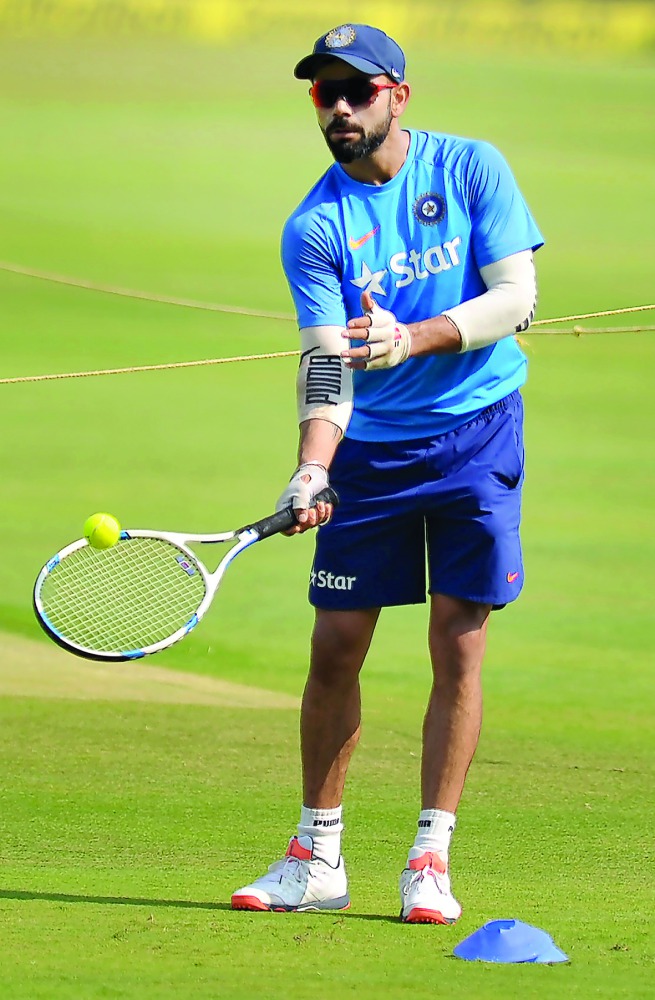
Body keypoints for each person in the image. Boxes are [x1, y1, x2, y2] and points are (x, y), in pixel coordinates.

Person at [231, 23, 543, 923]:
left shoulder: (471, 166)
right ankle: (316, 858)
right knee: (334, 649)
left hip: (477, 432)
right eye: (322, 93)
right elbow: (327, 366)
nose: (336, 107)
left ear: (395, 97)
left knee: (458, 640)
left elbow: (516, 296)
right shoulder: (315, 225)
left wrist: (414, 336)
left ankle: (429, 859)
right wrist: (309, 470)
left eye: (354, 91)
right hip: (370, 453)